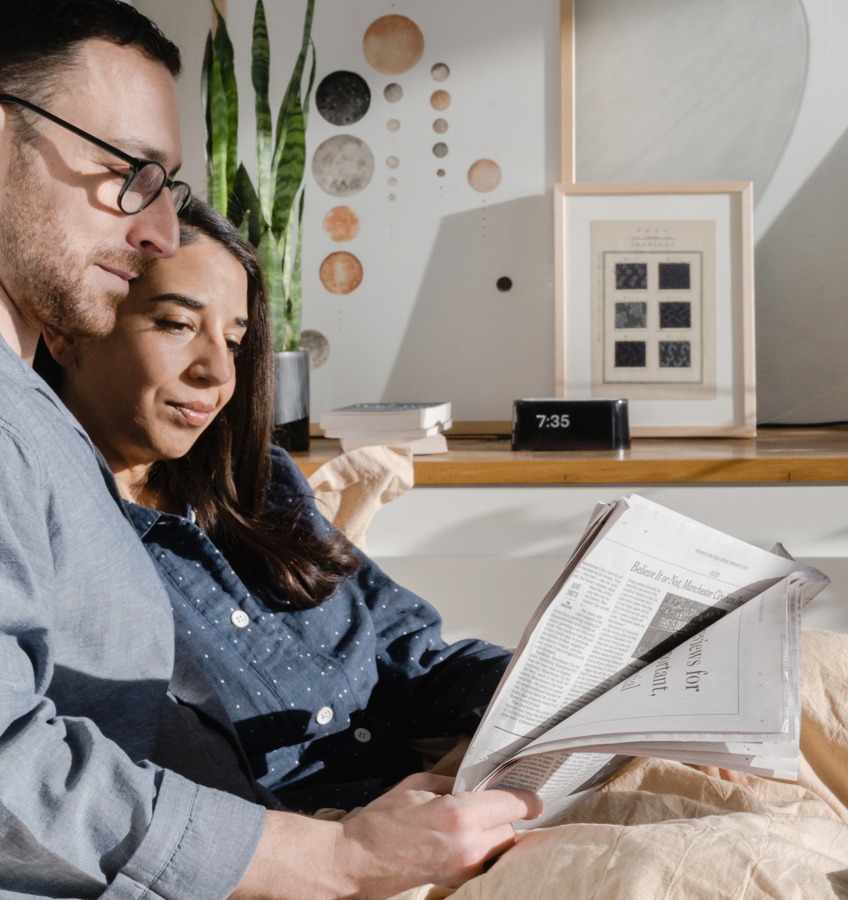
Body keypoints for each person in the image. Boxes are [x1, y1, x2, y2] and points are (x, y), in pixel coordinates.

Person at [0, 2, 536, 897]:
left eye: (164, 186)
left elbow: (414, 653)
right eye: (125, 172)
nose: (158, 232)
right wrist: (338, 858)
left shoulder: (221, 477)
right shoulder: (37, 445)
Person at [37, 194, 513, 814]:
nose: (216, 371)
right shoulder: (56, 535)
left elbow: (413, 656)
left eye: (233, 340)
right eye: (178, 325)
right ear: (67, 331)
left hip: (425, 805)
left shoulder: (259, 483)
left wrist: (561, 680)